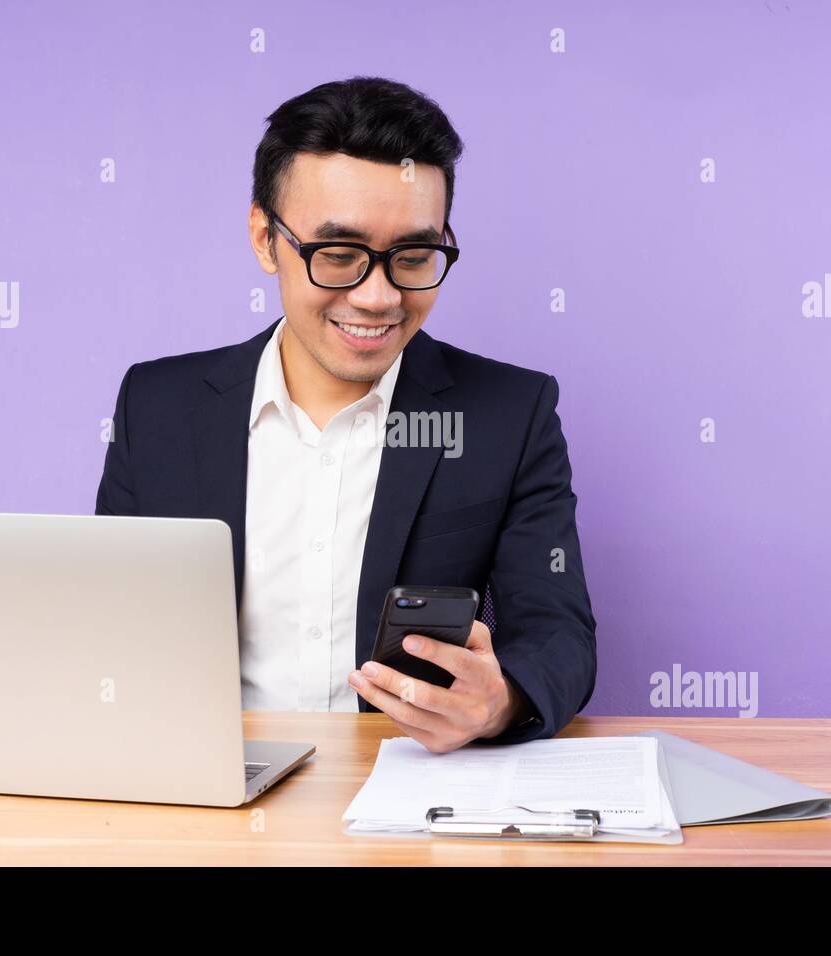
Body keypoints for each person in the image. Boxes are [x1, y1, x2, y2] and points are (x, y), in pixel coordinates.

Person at [96, 76, 595, 752]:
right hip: (207, 787)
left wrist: (500, 702)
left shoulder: (510, 414)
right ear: (265, 238)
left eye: (414, 256)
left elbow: (557, 630)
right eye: (339, 256)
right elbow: (111, 624)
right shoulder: (157, 406)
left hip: (404, 793)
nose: (378, 296)